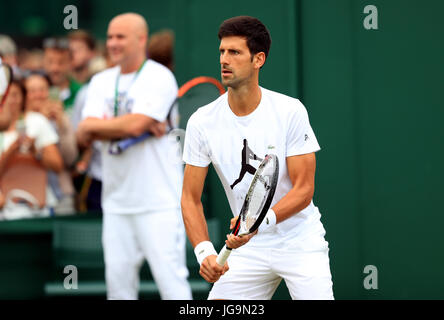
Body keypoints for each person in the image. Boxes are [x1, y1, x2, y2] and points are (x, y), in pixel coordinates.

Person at [181, 16, 334, 300]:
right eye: (222, 52)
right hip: (248, 249)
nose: (224, 60)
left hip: (299, 241)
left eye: (235, 52)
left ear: (258, 59)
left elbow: (304, 189)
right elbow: (190, 197)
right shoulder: (201, 122)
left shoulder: (290, 111)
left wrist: (255, 223)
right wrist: (205, 252)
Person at [76, 13, 192, 300]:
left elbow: (135, 125)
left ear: (141, 39)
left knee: (172, 284)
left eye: (120, 37)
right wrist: (126, 124)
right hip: (115, 204)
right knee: (119, 290)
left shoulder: (159, 76)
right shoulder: (101, 81)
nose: (113, 43)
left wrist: (105, 127)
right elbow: (83, 132)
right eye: (110, 37)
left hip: (159, 202)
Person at [0, 79, 63, 216]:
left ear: (23, 98)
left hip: (39, 207)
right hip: (6, 209)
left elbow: (57, 165)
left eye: (15, 95)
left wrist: (35, 151)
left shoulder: (37, 121)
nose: (11, 100)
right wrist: (11, 151)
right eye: (6, 94)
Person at [42, 37, 82, 117]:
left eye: (61, 62)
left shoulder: (81, 92)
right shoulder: (35, 93)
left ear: (71, 63)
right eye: (50, 61)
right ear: (43, 62)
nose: (55, 68)